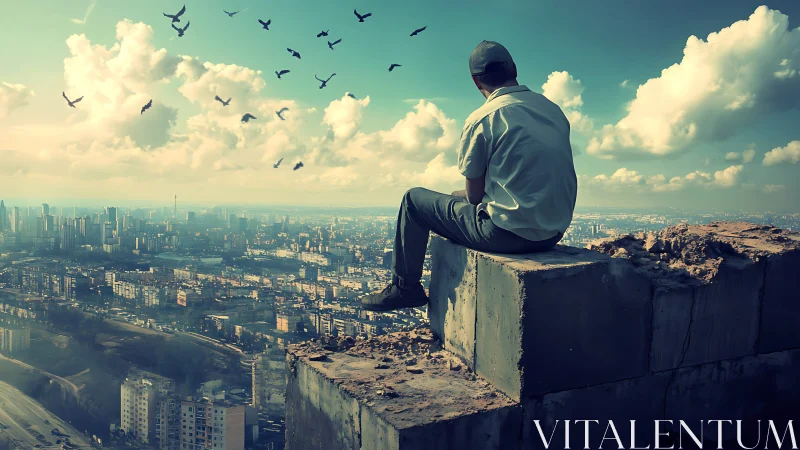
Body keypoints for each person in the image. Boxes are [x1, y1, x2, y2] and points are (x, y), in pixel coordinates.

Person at [362, 40, 578, 312]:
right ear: (514, 70)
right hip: (551, 233)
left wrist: (459, 196)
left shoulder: (483, 118)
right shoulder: (553, 111)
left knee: (413, 201)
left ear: (477, 82)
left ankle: (406, 289)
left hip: (506, 234)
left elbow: (474, 197)